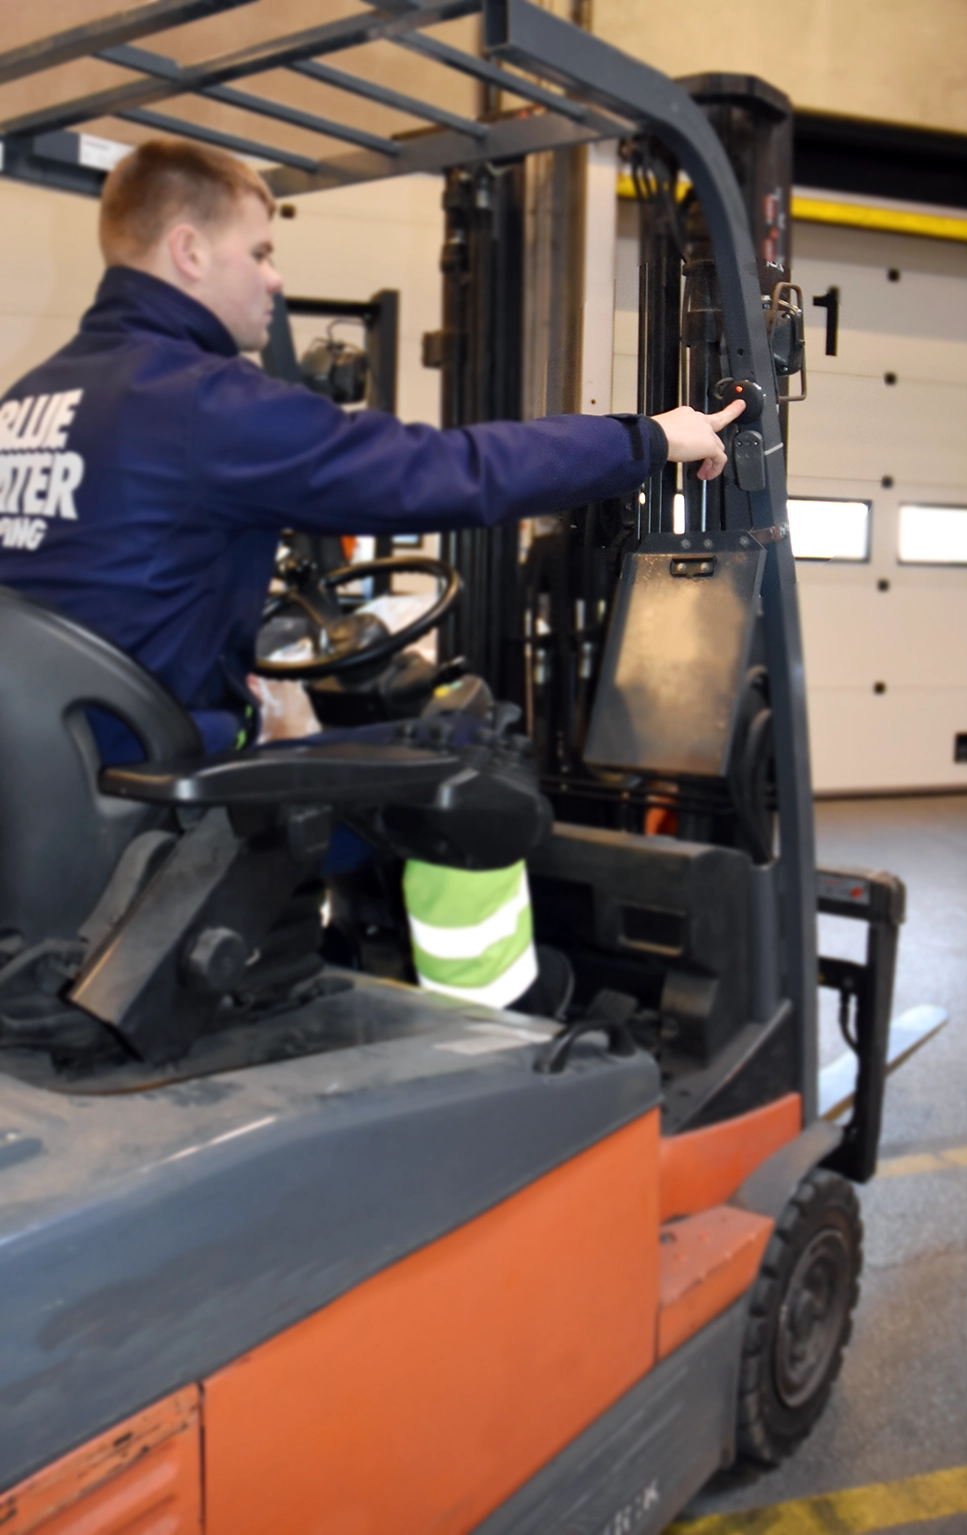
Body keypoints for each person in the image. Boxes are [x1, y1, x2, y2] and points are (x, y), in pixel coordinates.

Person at [0, 139, 744, 1011]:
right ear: (190, 253)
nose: (274, 280)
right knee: (472, 755)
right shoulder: (204, 403)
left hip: (48, 799)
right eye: (262, 252)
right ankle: (506, 1013)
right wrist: (650, 440)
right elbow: (454, 471)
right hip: (160, 802)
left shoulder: (30, 403)